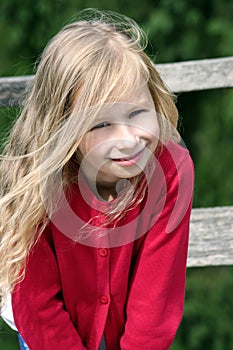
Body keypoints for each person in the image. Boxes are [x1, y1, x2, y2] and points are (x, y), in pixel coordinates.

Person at [0, 8, 194, 350]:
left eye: (137, 113)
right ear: (63, 127)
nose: (129, 139)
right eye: (101, 125)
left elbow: (155, 303)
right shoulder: (36, 180)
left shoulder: (171, 171)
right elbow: (37, 305)